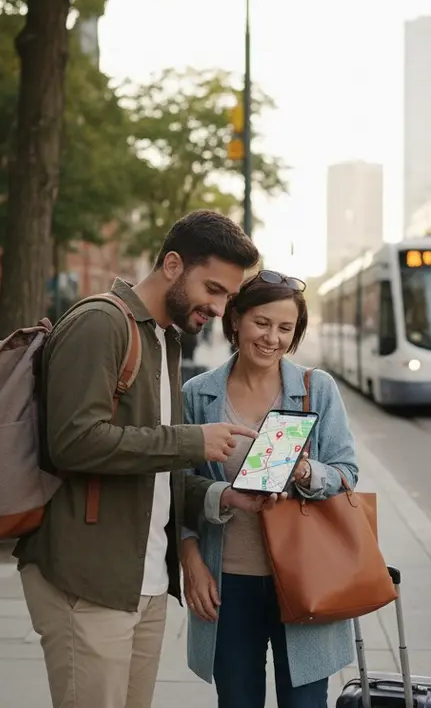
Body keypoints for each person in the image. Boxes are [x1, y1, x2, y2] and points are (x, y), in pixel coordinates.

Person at [15, 210, 283, 708]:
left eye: (228, 296)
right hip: (89, 579)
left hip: (146, 581)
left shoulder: (164, 340)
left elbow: (155, 469)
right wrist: (191, 441)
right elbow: (73, 442)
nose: (219, 308)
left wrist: (223, 496)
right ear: (173, 265)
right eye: (213, 289)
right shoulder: (101, 323)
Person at [181, 269, 358, 708]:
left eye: (285, 328)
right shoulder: (198, 395)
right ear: (236, 319)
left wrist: (305, 473)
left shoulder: (317, 389)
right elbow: (176, 486)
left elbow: (346, 472)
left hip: (303, 580)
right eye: (261, 323)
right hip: (227, 582)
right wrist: (191, 562)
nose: (272, 338)